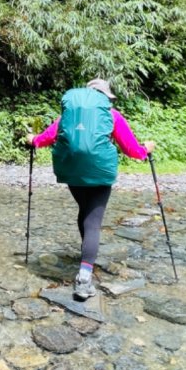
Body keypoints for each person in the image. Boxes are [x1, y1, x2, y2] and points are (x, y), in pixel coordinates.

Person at [26, 78, 155, 300]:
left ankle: (86, 257)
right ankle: (84, 277)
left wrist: (32, 140)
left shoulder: (67, 115)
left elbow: (46, 138)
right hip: (100, 173)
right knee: (93, 221)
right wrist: (146, 150)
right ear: (104, 97)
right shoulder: (112, 116)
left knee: (85, 212)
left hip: (72, 173)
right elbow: (132, 150)